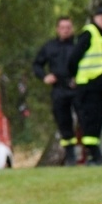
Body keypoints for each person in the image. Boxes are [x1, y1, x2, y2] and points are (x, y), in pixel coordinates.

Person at [68, 5, 102, 165]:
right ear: (95, 18)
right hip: (89, 85)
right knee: (89, 120)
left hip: (101, 87)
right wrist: (74, 76)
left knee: (98, 119)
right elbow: (73, 58)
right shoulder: (89, 33)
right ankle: (92, 154)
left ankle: (95, 153)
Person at [32, 16, 79, 166]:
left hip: (77, 88)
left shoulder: (78, 45)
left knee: (84, 119)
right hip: (59, 88)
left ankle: (90, 153)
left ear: (72, 29)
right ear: (57, 29)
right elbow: (37, 65)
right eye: (63, 27)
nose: (66, 30)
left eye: (68, 27)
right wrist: (45, 77)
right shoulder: (49, 47)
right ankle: (70, 156)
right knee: (63, 122)